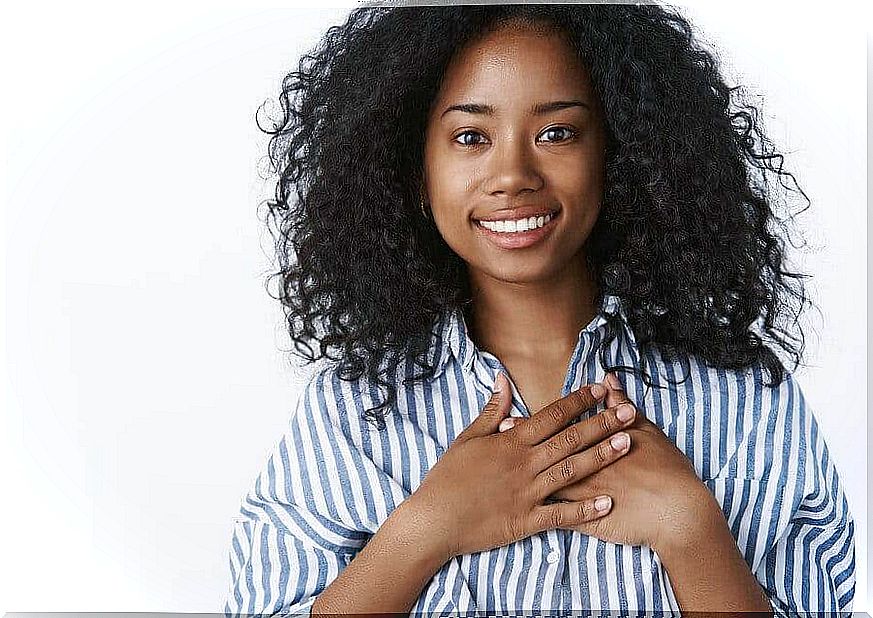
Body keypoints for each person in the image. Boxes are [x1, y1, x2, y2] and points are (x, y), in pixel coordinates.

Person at [224, 3, 855, 615]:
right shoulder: (352, 411)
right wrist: (426, 528)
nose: (514, 174)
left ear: (619, 153)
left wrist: (690, 529)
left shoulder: (744, 401)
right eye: (471, 136)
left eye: (556, 132)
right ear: (414, 171)